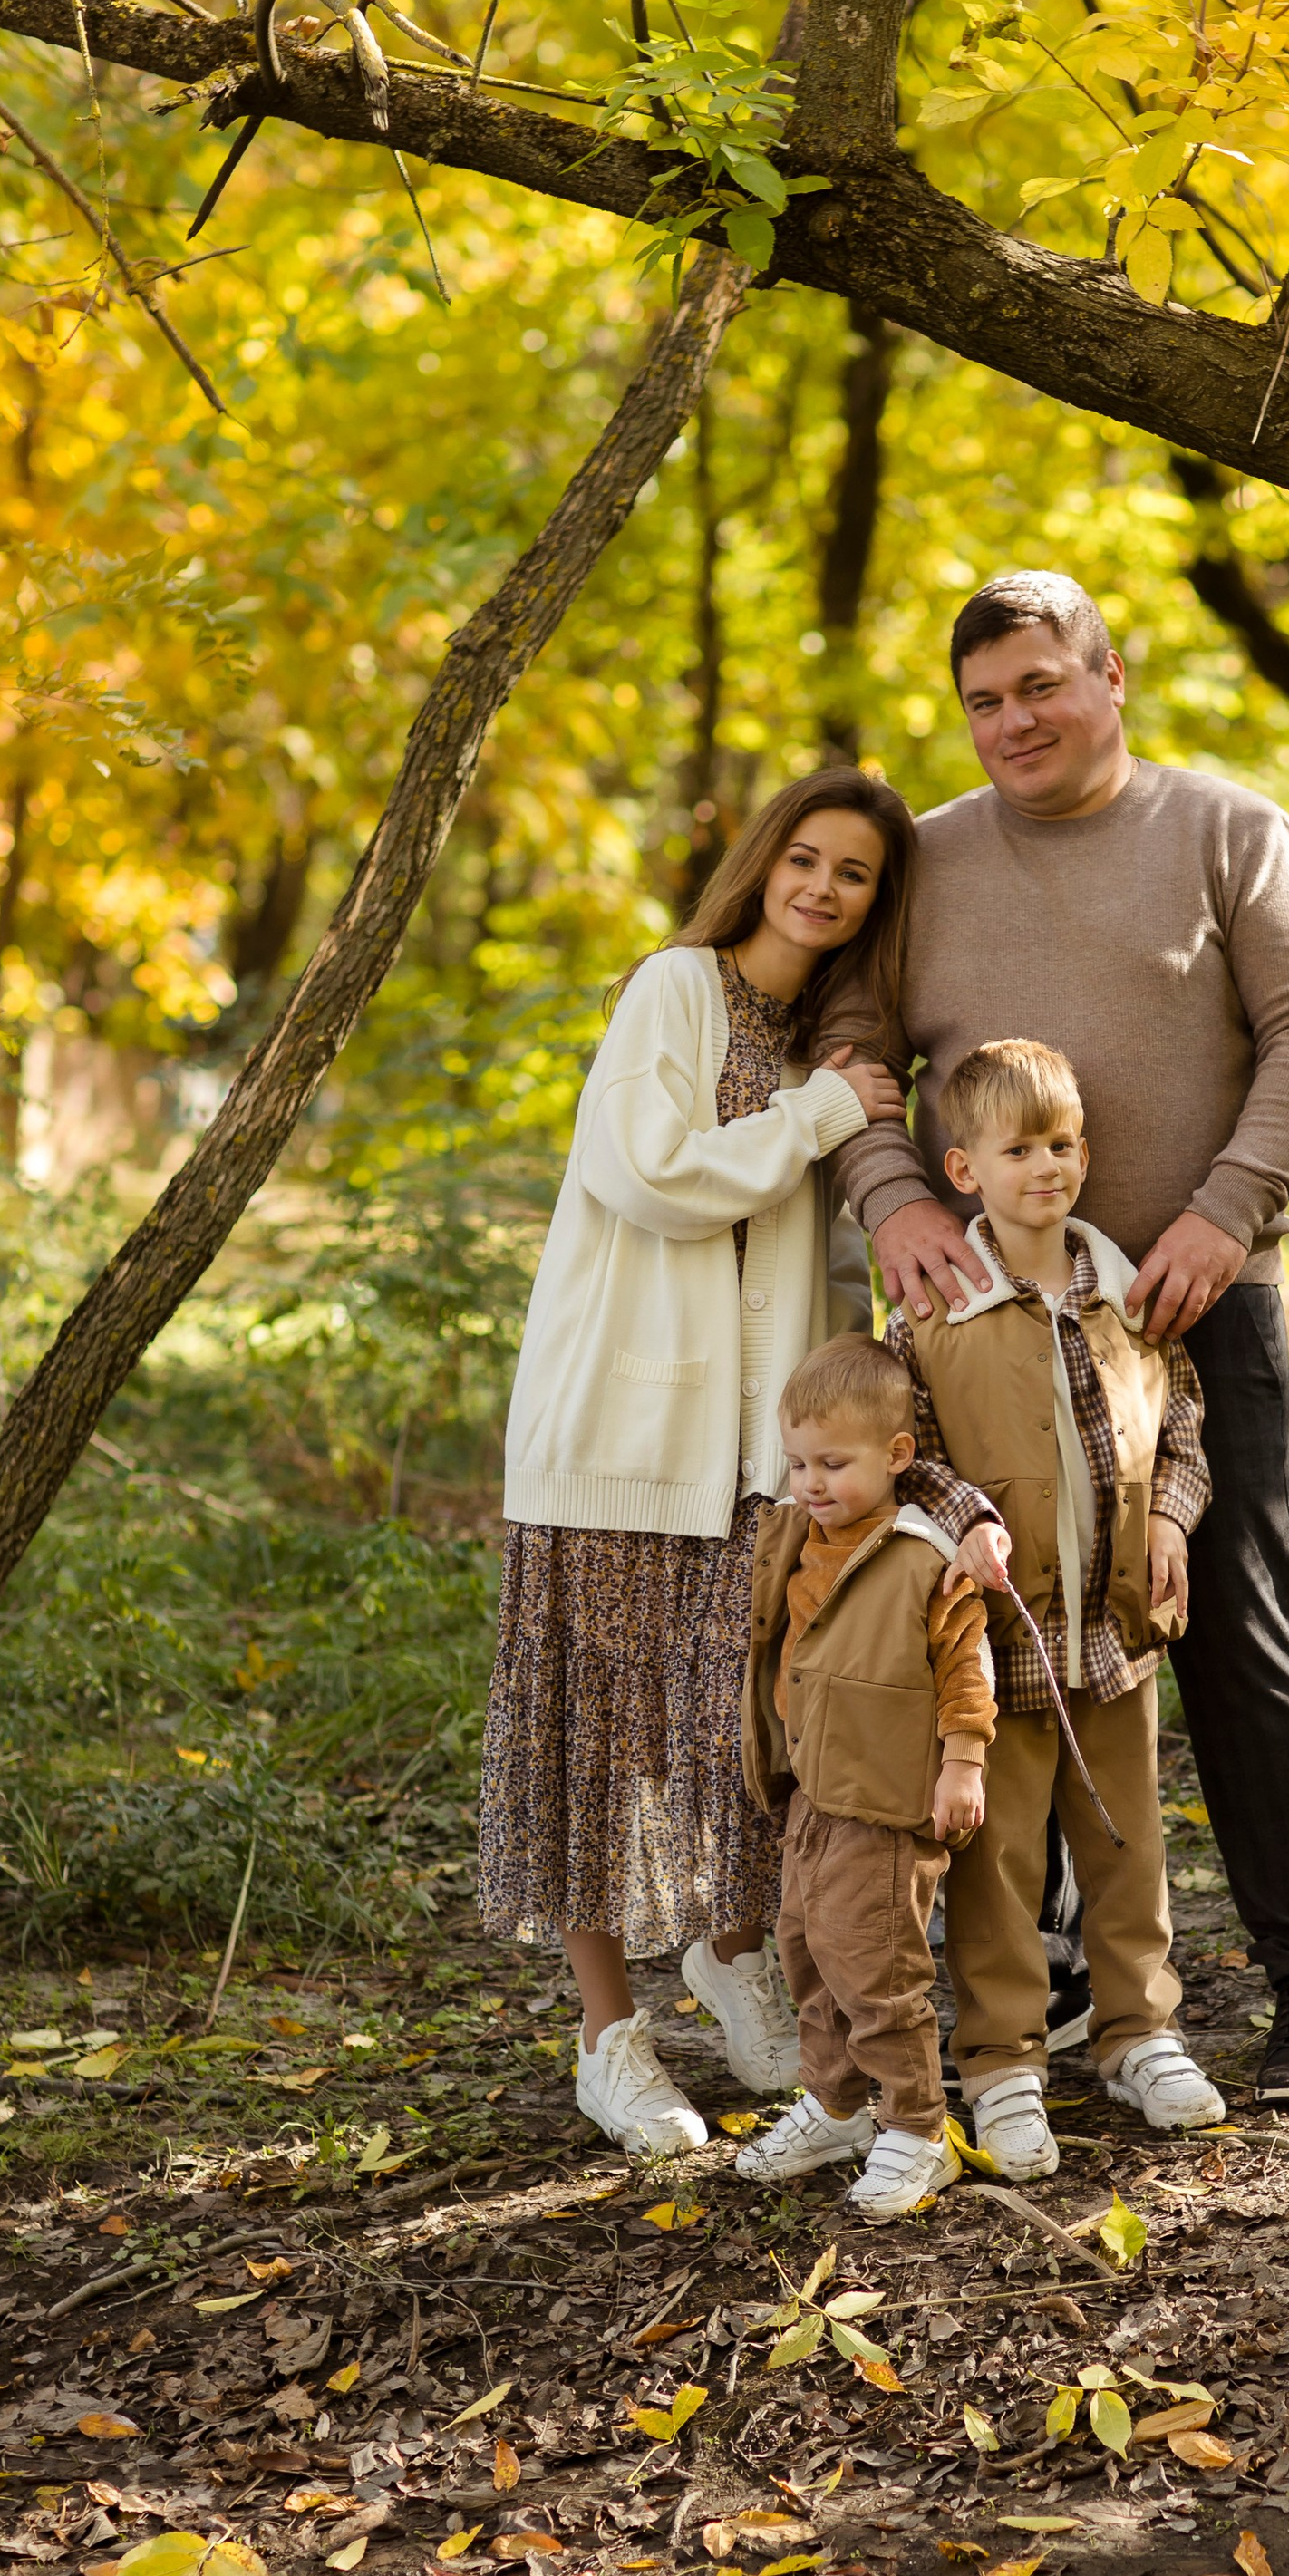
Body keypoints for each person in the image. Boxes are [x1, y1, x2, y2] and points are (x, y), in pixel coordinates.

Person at [825, 571, 1289, 2105]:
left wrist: (1228, 1211)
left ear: (1110, 676)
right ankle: (1057, 1993)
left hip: (1187, 1312)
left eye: (1040, 688)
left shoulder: (1228, 834)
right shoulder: (923, 863)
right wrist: (889, 1205)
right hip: (975, 1331)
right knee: (997, 1632)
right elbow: (852, 1057)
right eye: (985, 701)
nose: (1014, 723)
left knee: (1229, 1624)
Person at [477, 769, 916, 2158]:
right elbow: (648, 1175)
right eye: (805, 857)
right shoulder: (674, 989)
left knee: (737, 1739)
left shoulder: (814, 1049)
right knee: (597, 1753)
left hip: (743, 1459)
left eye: (853, 874)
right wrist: (821, 1119)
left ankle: (733, 1961)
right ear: (762, 862)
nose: (823, 888)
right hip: (614, 1436)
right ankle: (610, 2041)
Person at [884, 1037, 1224, 2174]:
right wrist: (958, 1514)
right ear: (964, 1169)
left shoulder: (1127, 1298)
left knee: (1126, 1846)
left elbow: (1180, 1427)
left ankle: (1139, 2031)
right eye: (1019, 1148)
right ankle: (1001, 2063)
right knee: (1000, 1862)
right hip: (1003, 1637)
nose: (1049, 1166)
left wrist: (1170, 1518)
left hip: (1116, 1627)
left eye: (1064, 1143)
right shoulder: (931, 1314)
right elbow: (909, 1454)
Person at [731, 1334, 996, 2221]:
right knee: (806, 1951)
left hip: (888, 1798)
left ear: (895, 1457)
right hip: (813, 1784)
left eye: (832, 1463)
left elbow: (967, 1669)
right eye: (798, 1460)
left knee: (876, 1967)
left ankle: (917, 2129)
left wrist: (963, 1764)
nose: (810, 1481)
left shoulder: (923, 1556)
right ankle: (837, 2105)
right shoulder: (796, 1539)